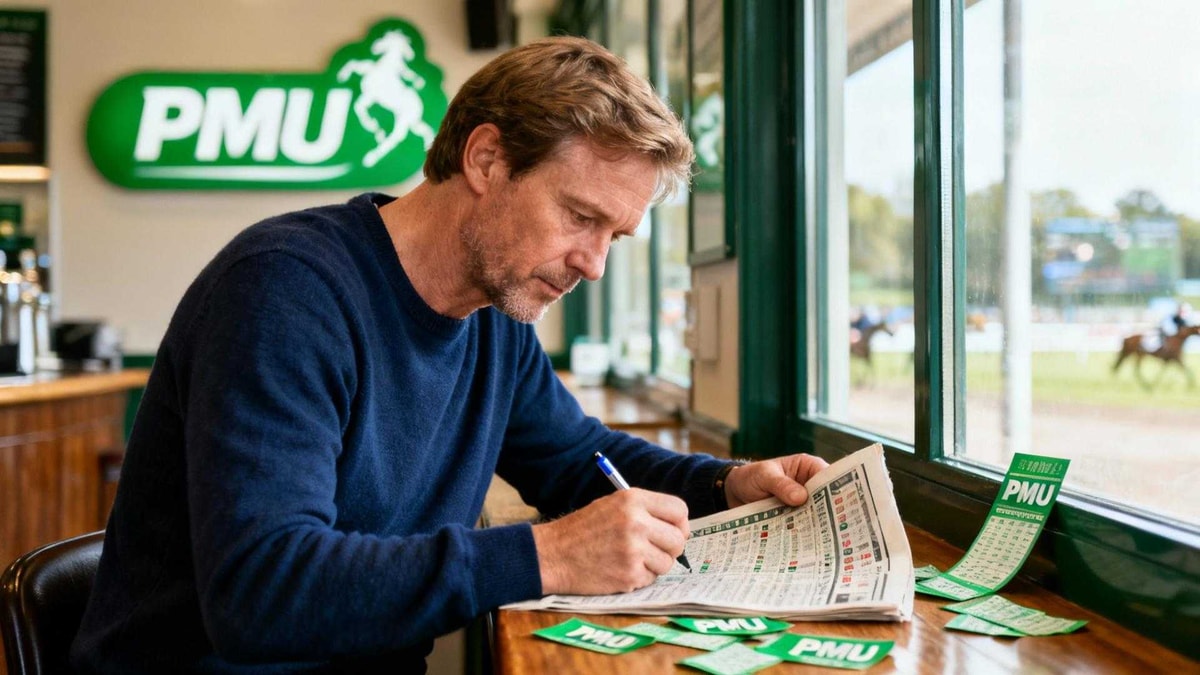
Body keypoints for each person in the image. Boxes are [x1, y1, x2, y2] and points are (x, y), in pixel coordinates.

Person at [71, 36, 828, 673]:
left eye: (615, 237)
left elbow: (578, 460)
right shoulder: (284, 292)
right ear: (487, 159)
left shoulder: (495, 314)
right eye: (579, 216)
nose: (594, 264)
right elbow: (260, 595)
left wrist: (727, 484)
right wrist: (547, 555)